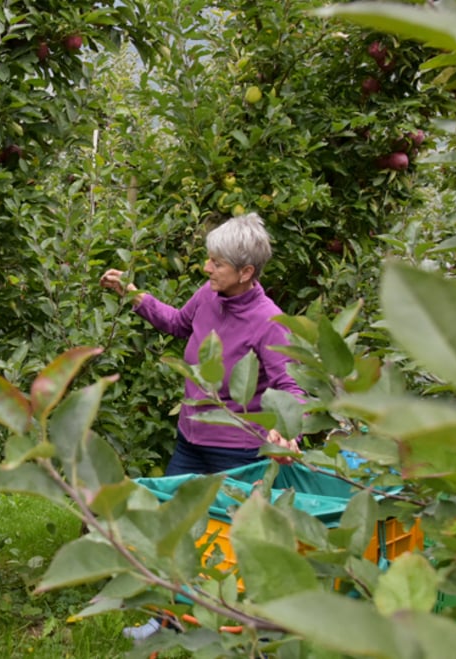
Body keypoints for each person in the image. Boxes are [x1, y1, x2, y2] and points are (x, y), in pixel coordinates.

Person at [101, 213, 303, 641]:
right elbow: (177, 323)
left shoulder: (270, 323)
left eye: (217, 263)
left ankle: (245, 632)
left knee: (231, 546)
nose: (207, 268)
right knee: (172, 530)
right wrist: (134, 296)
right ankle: (169, 621)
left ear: (246, 272)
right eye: (209, 260)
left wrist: (289, 428)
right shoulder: (209, 296)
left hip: (237, 453)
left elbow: (290, 385)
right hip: (190, 440)